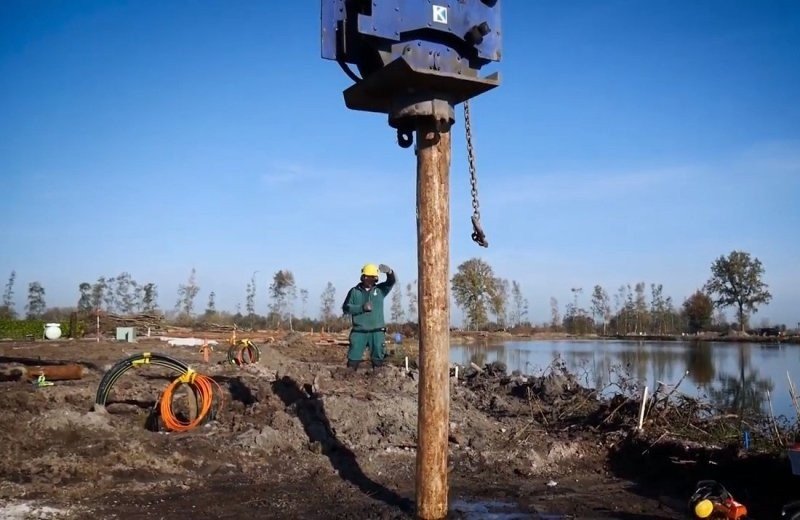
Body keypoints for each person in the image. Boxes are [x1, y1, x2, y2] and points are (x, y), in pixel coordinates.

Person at [342, 263, 395, 372]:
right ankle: (349, 377)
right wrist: (361, 308)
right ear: (363, 277)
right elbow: (346, 308)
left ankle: (378, 378)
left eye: (373, 277)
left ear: (376, 278)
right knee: (353, 358)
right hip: (359, 332)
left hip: (377, 332)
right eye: (368, 277)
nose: (370, 280)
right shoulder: (354, 291)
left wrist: (390, 273)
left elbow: (391, 282)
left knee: (378, 358)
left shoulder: (380, 290)